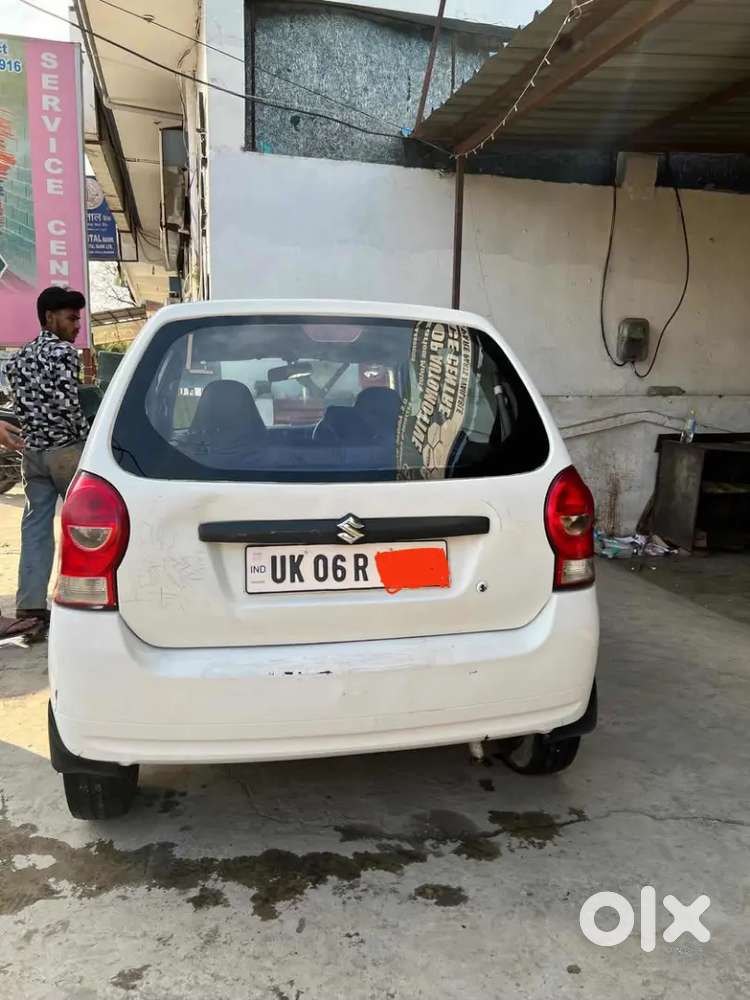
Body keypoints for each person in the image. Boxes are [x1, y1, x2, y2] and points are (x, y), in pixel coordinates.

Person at [5, 286, 89, 625]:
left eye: (78, 319)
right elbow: (69, 404)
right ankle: (83, 599)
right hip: (66, 451)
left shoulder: (18, 358)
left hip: (33, 454)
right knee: (88, 526)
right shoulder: (64, 354)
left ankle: (30, 607)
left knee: (35, 527)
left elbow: (20, 406)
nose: (77, 326)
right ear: (50, 317)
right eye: (71, 318)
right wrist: (88, 437)